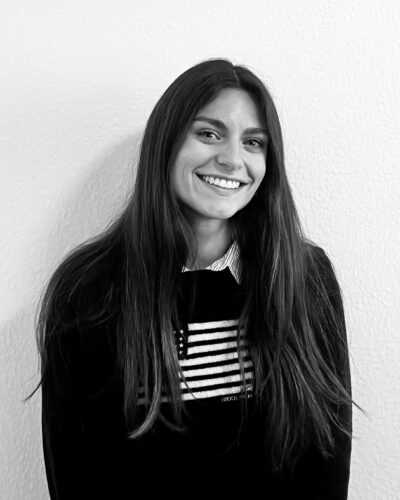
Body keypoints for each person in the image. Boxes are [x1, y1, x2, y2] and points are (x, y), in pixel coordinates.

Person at [28, 58, 360, 499]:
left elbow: (327, 462)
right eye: (209, 134)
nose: (232, 159)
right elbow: (75, 474)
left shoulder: (305, 278)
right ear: (166, 143)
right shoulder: (89, 288)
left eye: (254, 142)